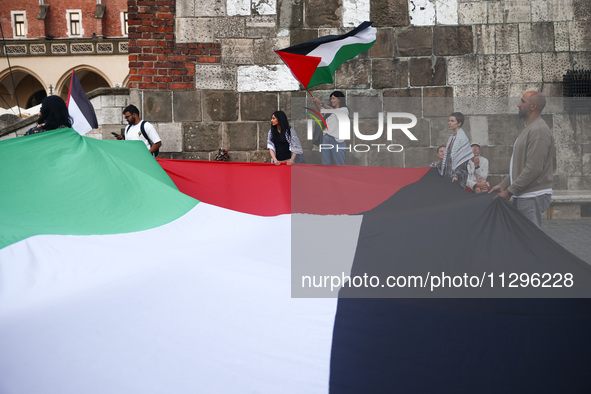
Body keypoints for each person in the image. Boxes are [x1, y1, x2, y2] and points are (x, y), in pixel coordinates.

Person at [489, 91, 555, 228]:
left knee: (529, 240)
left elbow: (533, 168)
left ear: (533, 106)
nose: (518, 104)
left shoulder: (538, 131)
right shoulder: (530, 128)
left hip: (532, 195)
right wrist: (504, 184)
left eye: (522, 101)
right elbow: (519, 166)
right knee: (521, 239)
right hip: (524, 194)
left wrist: (509, 191)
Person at [311, 91, 349, 165]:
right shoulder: (329, 111)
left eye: (334, 98)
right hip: (326, 138)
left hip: (336, 141)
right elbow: (321, 111)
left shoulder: (344, 110)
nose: (331, 100)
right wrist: (315, 102)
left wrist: (319, 101)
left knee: (340, 164)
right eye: (331, 99)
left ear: (339, 99)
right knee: (325, 164)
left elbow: (334, 111)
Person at [439, 112, 473, 188]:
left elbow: (463, 160)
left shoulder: (462, 139)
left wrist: (456, 175)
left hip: (457, 177)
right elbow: (448, 158)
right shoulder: (452, 137)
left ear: (459, 123)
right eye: (449, 120)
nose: (449, 123)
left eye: (452, 121)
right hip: (448, 175)